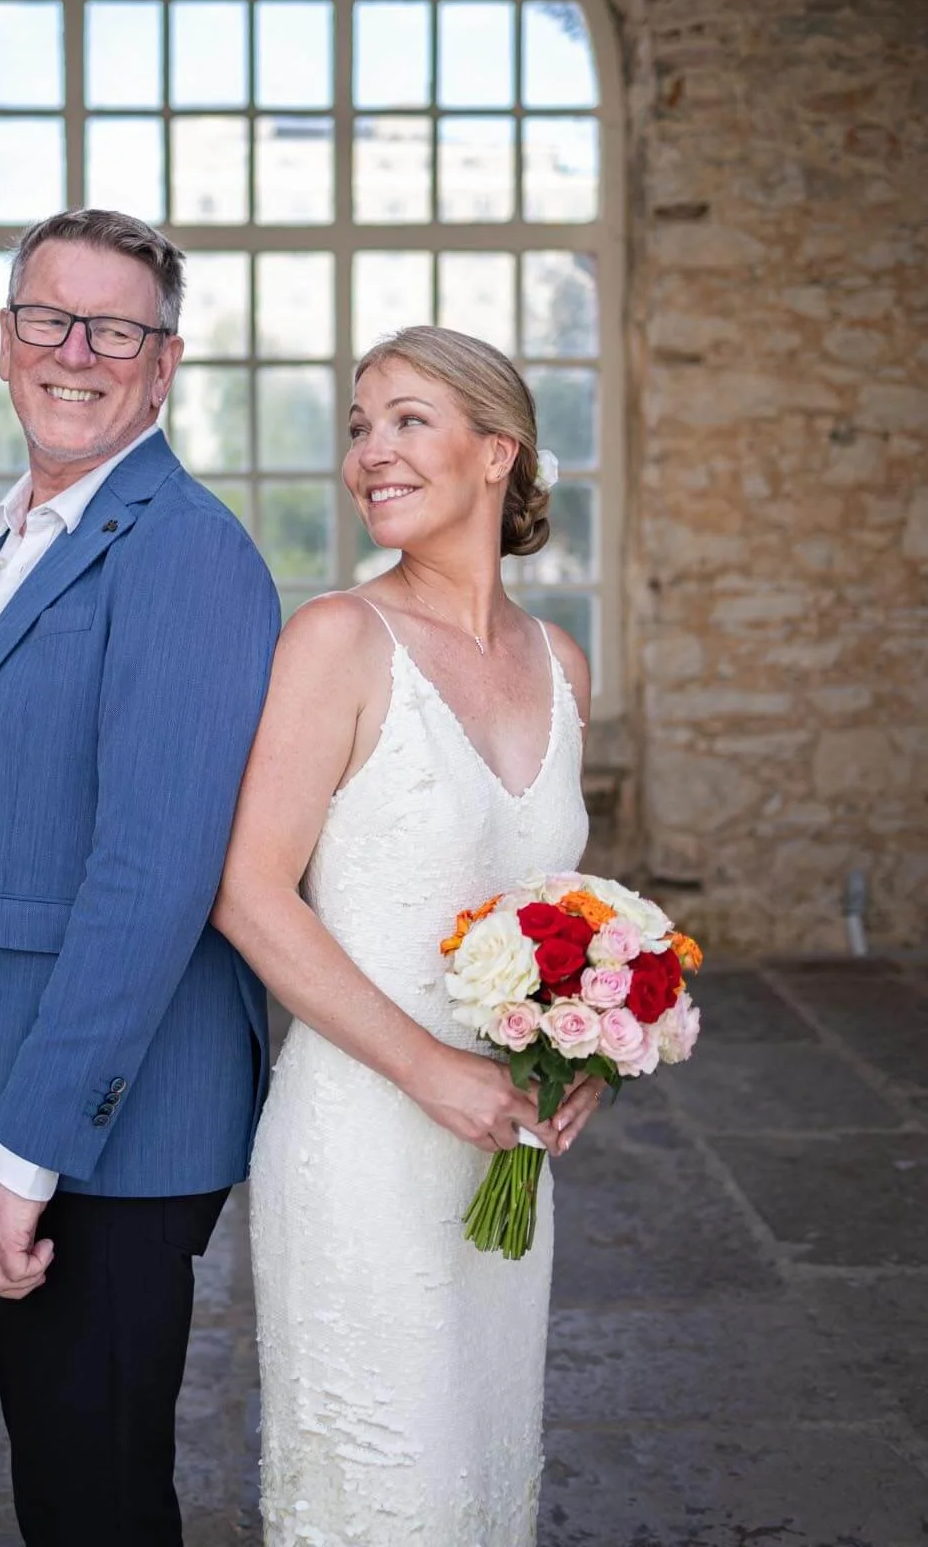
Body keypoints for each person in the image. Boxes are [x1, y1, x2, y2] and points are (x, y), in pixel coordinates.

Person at [0, 207, 280, 1547]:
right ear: (5, 342)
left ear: (164, 366)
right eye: (50, 317)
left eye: (116, 328)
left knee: (94, 1496)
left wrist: (27, 1149)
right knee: (60, 1479)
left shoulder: (185, 552)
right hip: (19, 1087)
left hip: (117, 1126)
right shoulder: (30, 527)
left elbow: (147, 879)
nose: (76, 350)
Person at [212, 324, 602, 1547]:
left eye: (407, 419)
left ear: (500, 452)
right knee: (390, 1497)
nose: (371, 451)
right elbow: (249, 891)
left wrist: (580, 1049)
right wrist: (429, 1066)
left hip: (504, 1152)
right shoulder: (335, 638)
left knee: (482, 1482)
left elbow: (552, 918)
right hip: (362, 1148)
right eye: (358, 425)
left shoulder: (560, 661)